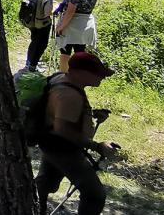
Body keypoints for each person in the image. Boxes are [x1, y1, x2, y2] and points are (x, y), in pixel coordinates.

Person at [35, 52, 119, 215]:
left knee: (46, 184)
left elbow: (61, 113)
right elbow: (62, 129)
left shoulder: (60, 79)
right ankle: (34, 207)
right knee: (94, 195)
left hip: (51, 143)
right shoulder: (70, 95)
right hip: (64, 149)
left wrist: (91, 114)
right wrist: (96, 146)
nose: (102, 77)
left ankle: (36, 209)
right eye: (98, 74)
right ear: (82, 73)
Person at [56, 0, 109, 72]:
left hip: (72, 26)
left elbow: (70, 13)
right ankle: (77, 76)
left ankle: (63, 76)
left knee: (65, 52)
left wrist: (60, 27)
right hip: (86, 25)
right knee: (79, 52)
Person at [23, 0, 58, 72]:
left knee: (34, 42)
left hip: (31, 23)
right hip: (42, 24)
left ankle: (28, 62)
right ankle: (33, 66)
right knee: (41, 44)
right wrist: (55, 7)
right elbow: (47, 13)